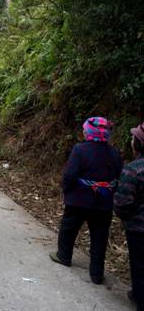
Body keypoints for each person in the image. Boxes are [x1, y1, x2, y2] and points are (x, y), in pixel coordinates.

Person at [49, 117, 123, 284]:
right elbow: (119, 176)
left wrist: (66, 190)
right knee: (100, 236)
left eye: (84, 130)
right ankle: (97, 273)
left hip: (79, 199)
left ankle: (64, 255)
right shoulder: (114, 153)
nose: (82, 132)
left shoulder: (80, 150)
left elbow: (70, 174)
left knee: (69, 228)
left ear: (88, 132)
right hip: (103, 202)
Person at [114, 121, 144, 310]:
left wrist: (128, 218)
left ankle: (139, 299)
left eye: (134, 137)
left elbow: (122, 202)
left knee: (140, 266)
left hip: (139, 230)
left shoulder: (134, 169)